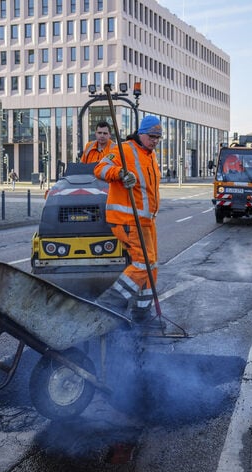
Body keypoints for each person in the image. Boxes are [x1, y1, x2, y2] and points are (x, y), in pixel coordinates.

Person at [93, 114, 163, 323]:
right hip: (127, 220)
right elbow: (100, 168)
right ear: (141, 134)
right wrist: (120, 173)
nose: (155, 141)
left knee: (151, 267)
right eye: (152, 137)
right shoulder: (125, 150)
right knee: (143, 264)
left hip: (146, 221)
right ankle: (108, 304)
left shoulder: (150, 155)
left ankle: (142, 313)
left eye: (158, 138)